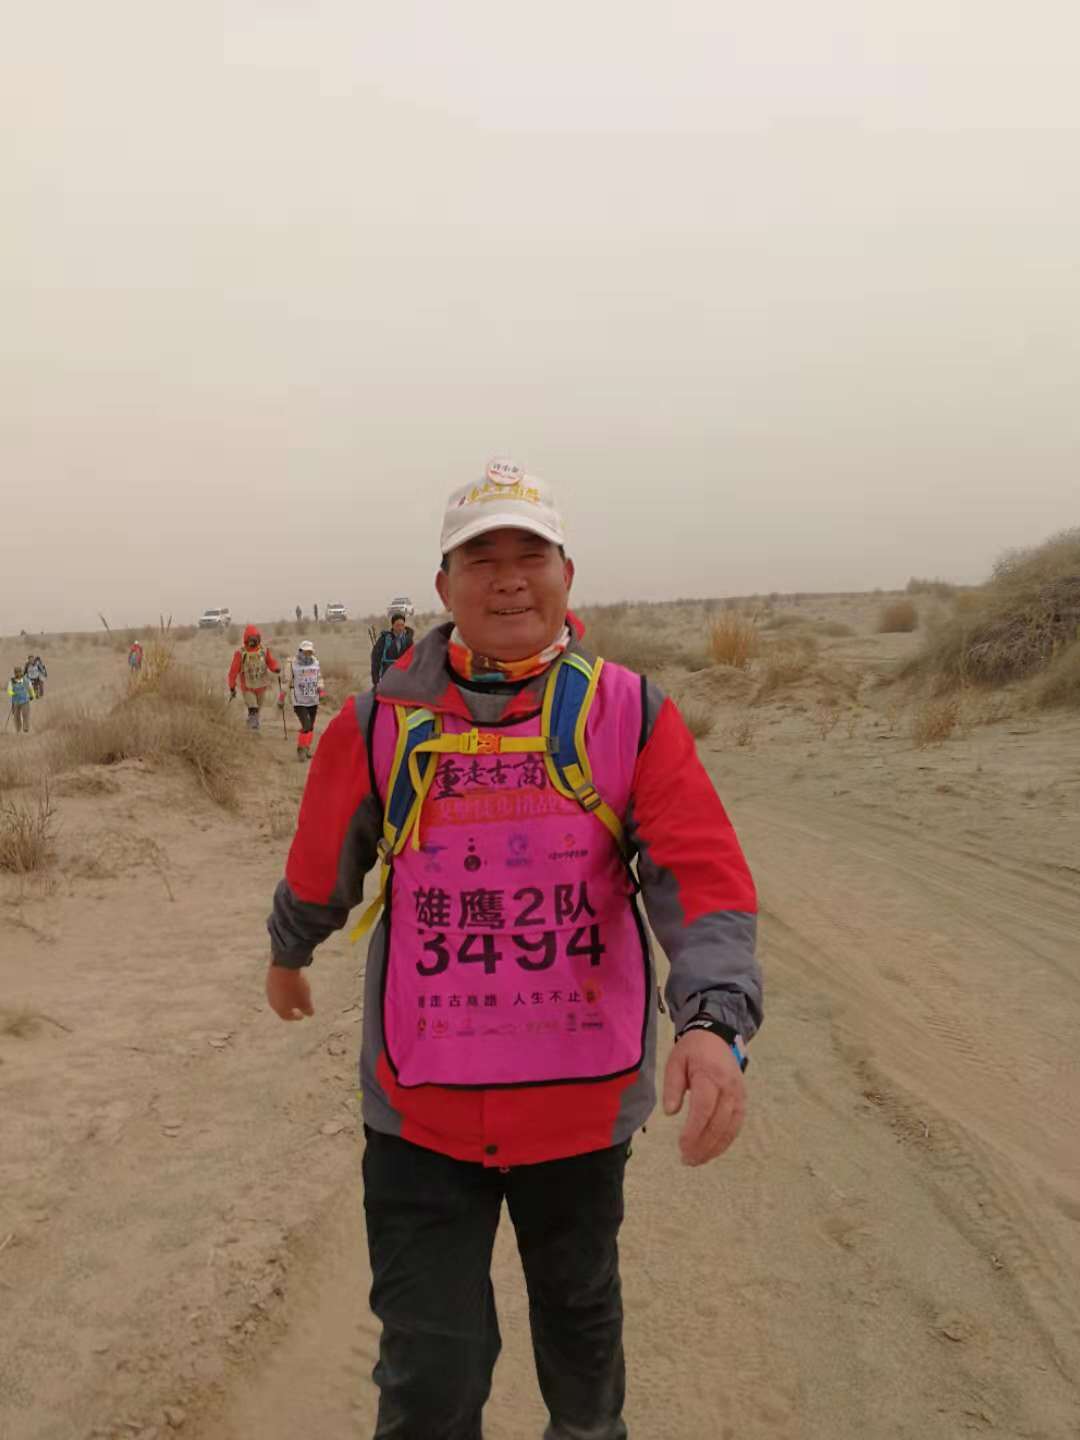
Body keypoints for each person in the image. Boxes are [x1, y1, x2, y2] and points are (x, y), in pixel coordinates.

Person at [266, 460, 761, 1440]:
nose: (506, 579)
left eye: (528, 555)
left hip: (580, 1110)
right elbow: (325, 861)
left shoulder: (633, 715)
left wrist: (713, 1022)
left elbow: (699, 876)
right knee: (430, 1373)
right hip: (419, 1113)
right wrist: (290, 951)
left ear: (567, 573)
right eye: (478, 558)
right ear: (443, 585)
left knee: (581, 1338)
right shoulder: (375, 725)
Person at [227, 625, 281, 731]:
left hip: (261, 685)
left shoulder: (264, 651)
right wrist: (232, 686)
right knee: (253, 708)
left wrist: (275, 668)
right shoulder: (240, 653)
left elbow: (270, 662)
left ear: (258, 638)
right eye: (250, 639)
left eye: (255, 639)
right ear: (246, 639)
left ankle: (250, 726)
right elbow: (233, 671)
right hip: (247, 687)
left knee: (257, 711)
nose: (253, 642)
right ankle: (253, 730)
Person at [285, 640, 324, 762]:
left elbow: (319, 678)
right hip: (299, 701)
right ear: (300, 651)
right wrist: (282, 697)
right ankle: (301, 749)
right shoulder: (292, 664)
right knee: (306, 726)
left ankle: (307, 749)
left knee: (310, 727)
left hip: (313, 699)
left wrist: (321, 689)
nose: (307, 654)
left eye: (309, 652)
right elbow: (287, 681)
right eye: (305, 652)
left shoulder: (315, 662)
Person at [369, 611, 414, 689]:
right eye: (397, 625)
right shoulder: (384, 640)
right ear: (392, 625)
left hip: (404, 680)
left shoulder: (408, 640)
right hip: (388, 679)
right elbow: (375, 661)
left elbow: (413, 660)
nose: (400, 628)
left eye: (402, 625)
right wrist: (376, 682)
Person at [7, 665, 34, 733]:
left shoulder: (25, 680)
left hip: (25, 700)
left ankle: (25, 728)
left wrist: (32, 695)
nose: (18, 673)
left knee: (25, 714)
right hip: (16, 701)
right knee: (16, 716)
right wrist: (13, 693)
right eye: (16, 672)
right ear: (14, 673)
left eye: (19, 672)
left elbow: (30, 687)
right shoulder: (12, 681)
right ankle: (18, 729)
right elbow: (9, 690)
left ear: (21, 672)